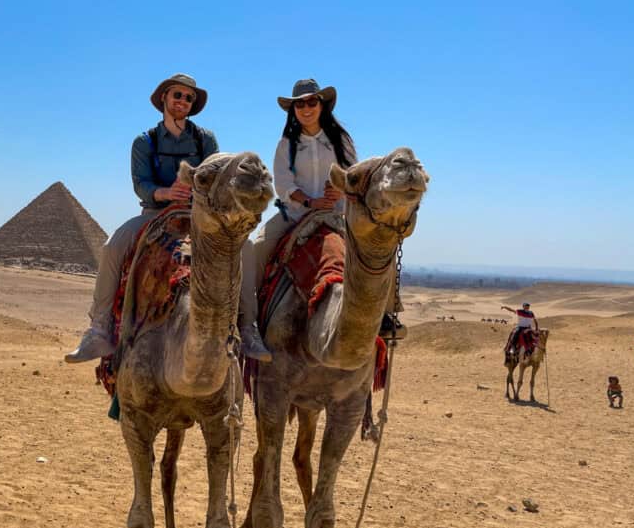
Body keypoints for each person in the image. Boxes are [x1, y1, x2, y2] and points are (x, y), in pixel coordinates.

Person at [241, 78, 402, 361]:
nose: (305, 108)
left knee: (377, 248)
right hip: (296, 215)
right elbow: (283, 185)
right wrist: (311, 201)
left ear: (322, 105)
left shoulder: (341, 141)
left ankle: (387, 315)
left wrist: (339, 187)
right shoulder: (286, 145)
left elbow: (354, 175)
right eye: (299, 104)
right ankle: (250, 321)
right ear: (293, 110)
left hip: (337, 214)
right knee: (258, 246)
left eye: (311, 102)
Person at [65, 73, 218, 363]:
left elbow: (215, 178)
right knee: (112, 247)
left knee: (242, 249)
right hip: (154, 214)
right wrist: (166, 192)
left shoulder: (205, 139)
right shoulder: (144, 142)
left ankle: (246, 329)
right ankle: (99, 329)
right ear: (164, 98)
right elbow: (141, 184)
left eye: (188, 98)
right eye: (177, 95)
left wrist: (197, 193)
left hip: (197, 214)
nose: (183, 101)